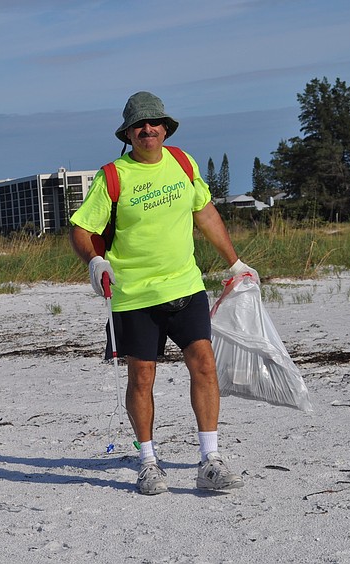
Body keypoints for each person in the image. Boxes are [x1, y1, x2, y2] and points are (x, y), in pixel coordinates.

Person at [69, 91, 259, 495]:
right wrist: (95, 261)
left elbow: (205, 213)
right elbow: (81, 229)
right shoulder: (113, 176)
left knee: (204, 365)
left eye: (154, 123)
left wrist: (235, 262)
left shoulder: (183, 163)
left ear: (165, 128)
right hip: (133, 294)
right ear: (129, 133)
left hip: (185, 286)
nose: (148, 129)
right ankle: (148, 462)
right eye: (140, 125)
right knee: (142, 377)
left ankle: (210, 460)